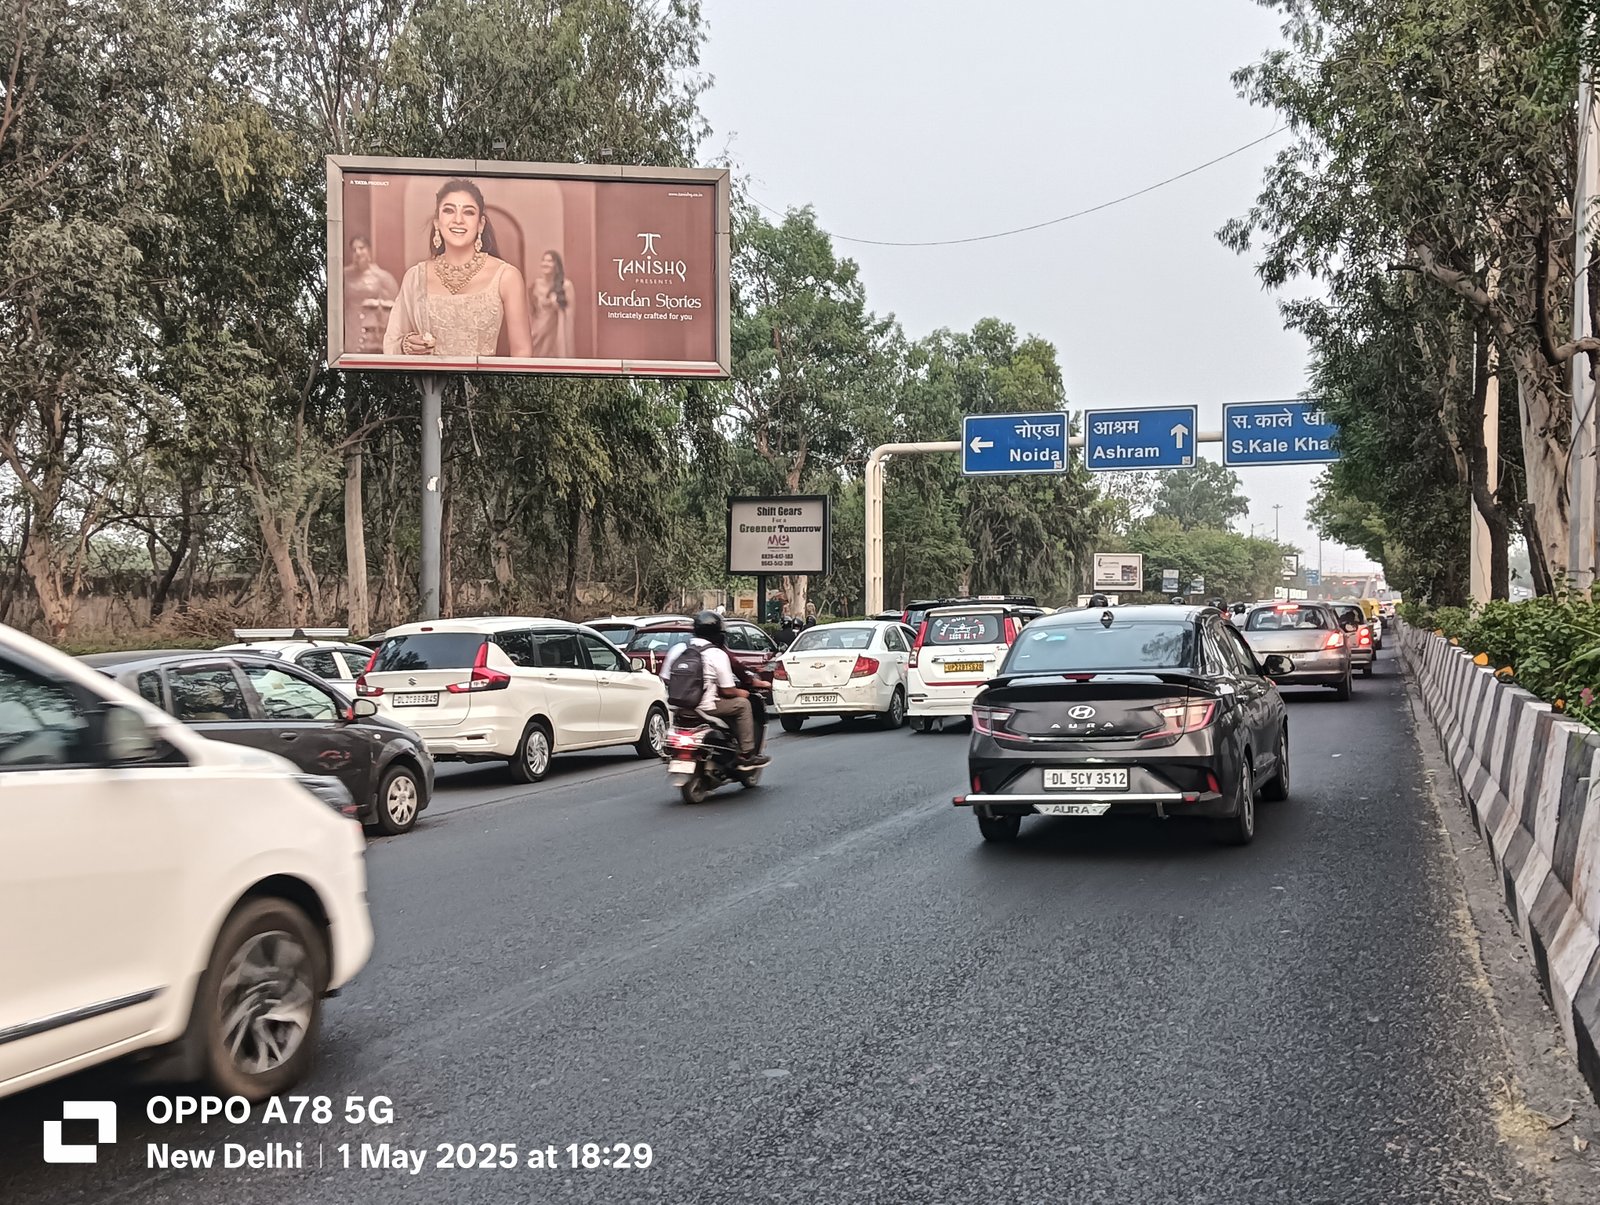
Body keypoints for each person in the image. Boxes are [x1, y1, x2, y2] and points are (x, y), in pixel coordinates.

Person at [383, 178, 534, 359]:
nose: (458, 220)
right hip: (425, 386)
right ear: (437, 222)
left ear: (481, 224)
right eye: (449, 210)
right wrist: (406, 344)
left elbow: (522, 353)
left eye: (468, 212)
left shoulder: (506, 276)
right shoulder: (415, 277)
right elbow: (392, 341)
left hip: (484, 385)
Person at [660, 611, 769, 769]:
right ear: (718, 634)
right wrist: (743, 693)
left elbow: (665, 678)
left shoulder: (678, 649)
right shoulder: (717, 654)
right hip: (706, 708)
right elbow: (728, 691)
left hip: (678, 707)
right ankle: (746, 754)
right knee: (743, 705)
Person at [342, 236, 399, 354]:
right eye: (354, 250)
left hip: (372, 328)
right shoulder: (344, 275)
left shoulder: (383, 277)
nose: (357, 252)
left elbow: (395, 309)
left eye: (361, 248)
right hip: (350, 326)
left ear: (368, 250)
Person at [528, 250, 576, 357]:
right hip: (537, 334)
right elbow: (532, 312)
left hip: (556, 335)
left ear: (556, 265)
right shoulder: (535, 285)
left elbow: (570, 315)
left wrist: (556, 305)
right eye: (543, 260)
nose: (545, 263)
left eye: (549, 261)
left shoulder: (566, 286)